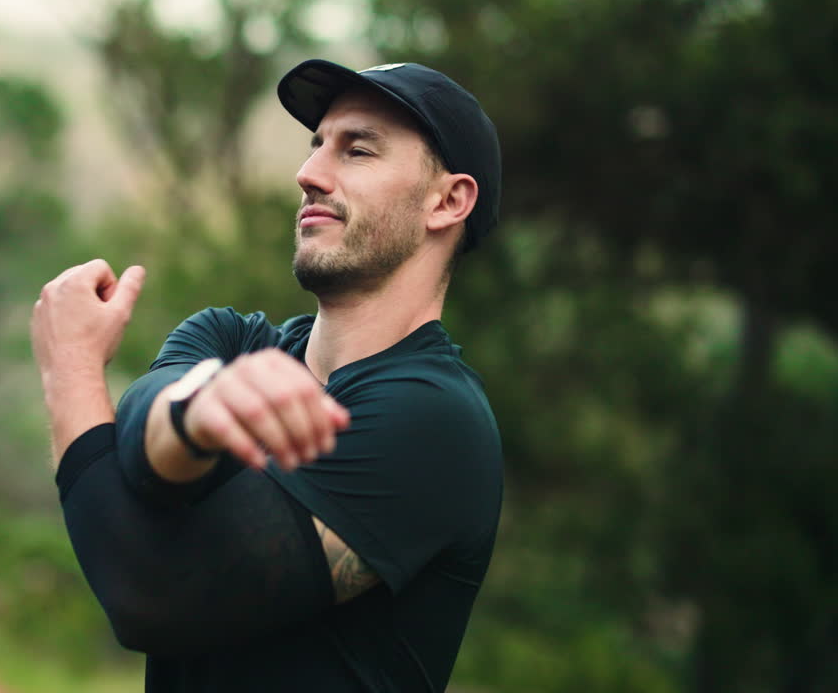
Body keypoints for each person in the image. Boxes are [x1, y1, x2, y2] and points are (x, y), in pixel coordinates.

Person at [30, 59, 504, 693]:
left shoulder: (433, 419)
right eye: (316, 146)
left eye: (357, 150)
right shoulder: (230, 338)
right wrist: (196, 412)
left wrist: (72, 371)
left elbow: (148, 594)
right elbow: (142, 436)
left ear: (447, 201)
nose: (308, 174)